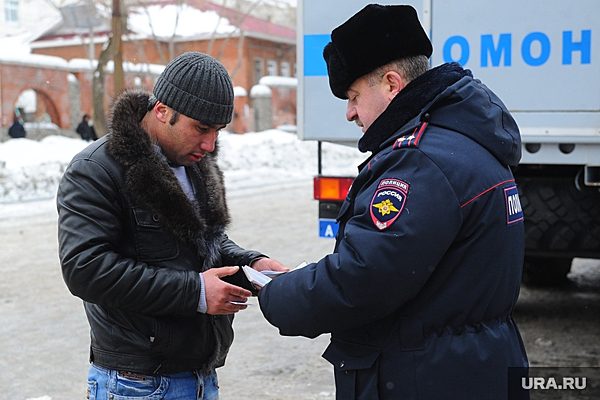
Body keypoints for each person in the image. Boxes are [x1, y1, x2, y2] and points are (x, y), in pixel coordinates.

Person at [258, 4, 528, 400]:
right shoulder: (466, 141)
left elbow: (364, 279)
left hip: (428, 379)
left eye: (352, 96)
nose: (350, 113)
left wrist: (277, 293)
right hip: (469, 367)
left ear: (391, 83)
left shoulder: (420, 162)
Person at [57, 52, 287, 400]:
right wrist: (194, 291)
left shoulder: (194, 162)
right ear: (162, 110)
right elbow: (85, 270)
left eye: (218, 131)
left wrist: (251, 263)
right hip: (135, 383)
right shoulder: (96, 169)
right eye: (201, 129)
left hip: (199, 376)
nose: (210, 145)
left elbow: (207, 241)